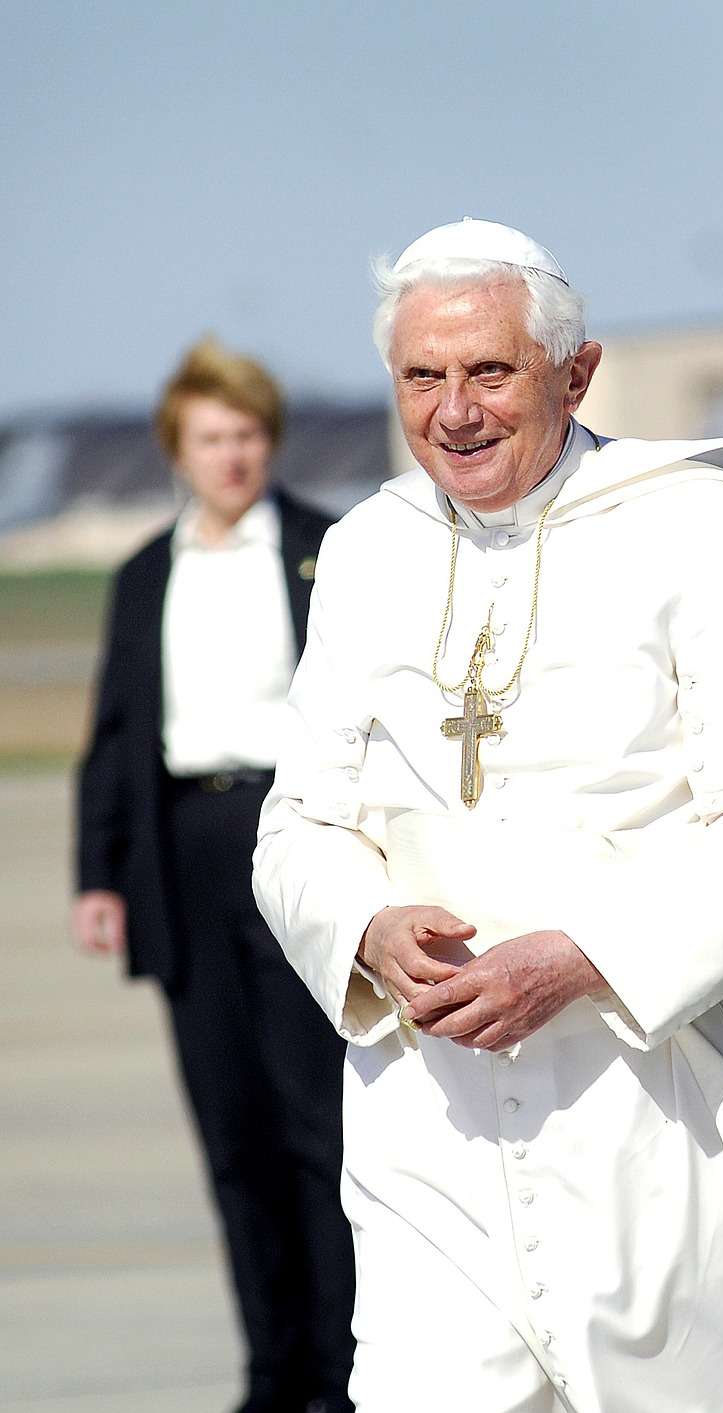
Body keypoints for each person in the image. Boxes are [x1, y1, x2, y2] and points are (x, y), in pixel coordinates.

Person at [250, 218, 723, 1413]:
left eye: (490, 372)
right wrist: (362, 928)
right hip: (428, 1116)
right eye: (422, 379)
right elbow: (299, 823)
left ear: (576, 374)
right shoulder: (365, 550)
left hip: (663, 1095)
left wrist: (586, 956)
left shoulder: (697, 526)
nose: (455, 412)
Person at [73, 338, 355, 1413]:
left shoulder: (331, 551)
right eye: (209, 440)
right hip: (187, 852)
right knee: (231, 1136)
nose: (230, 457)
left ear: (268, 441)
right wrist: (97, 876)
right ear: (177, 452)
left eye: (245, 436)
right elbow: (114, 735)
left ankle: (341, 1377)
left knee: (315, 1130)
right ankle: (271, 1375)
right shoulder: (147, 572)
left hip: (297, 838)